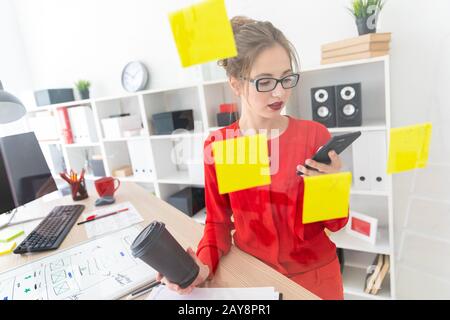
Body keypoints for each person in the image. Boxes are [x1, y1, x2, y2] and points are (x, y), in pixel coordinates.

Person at [156, 16, 348, 300]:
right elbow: (218, 223)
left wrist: (332, 188)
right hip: (252, 277)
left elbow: (335, 224)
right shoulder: (224, 145)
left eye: (286, 78)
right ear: (236, 84)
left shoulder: (314, 136)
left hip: (317, 277)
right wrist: (202, 264)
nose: (279, 91)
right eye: (265, 81)